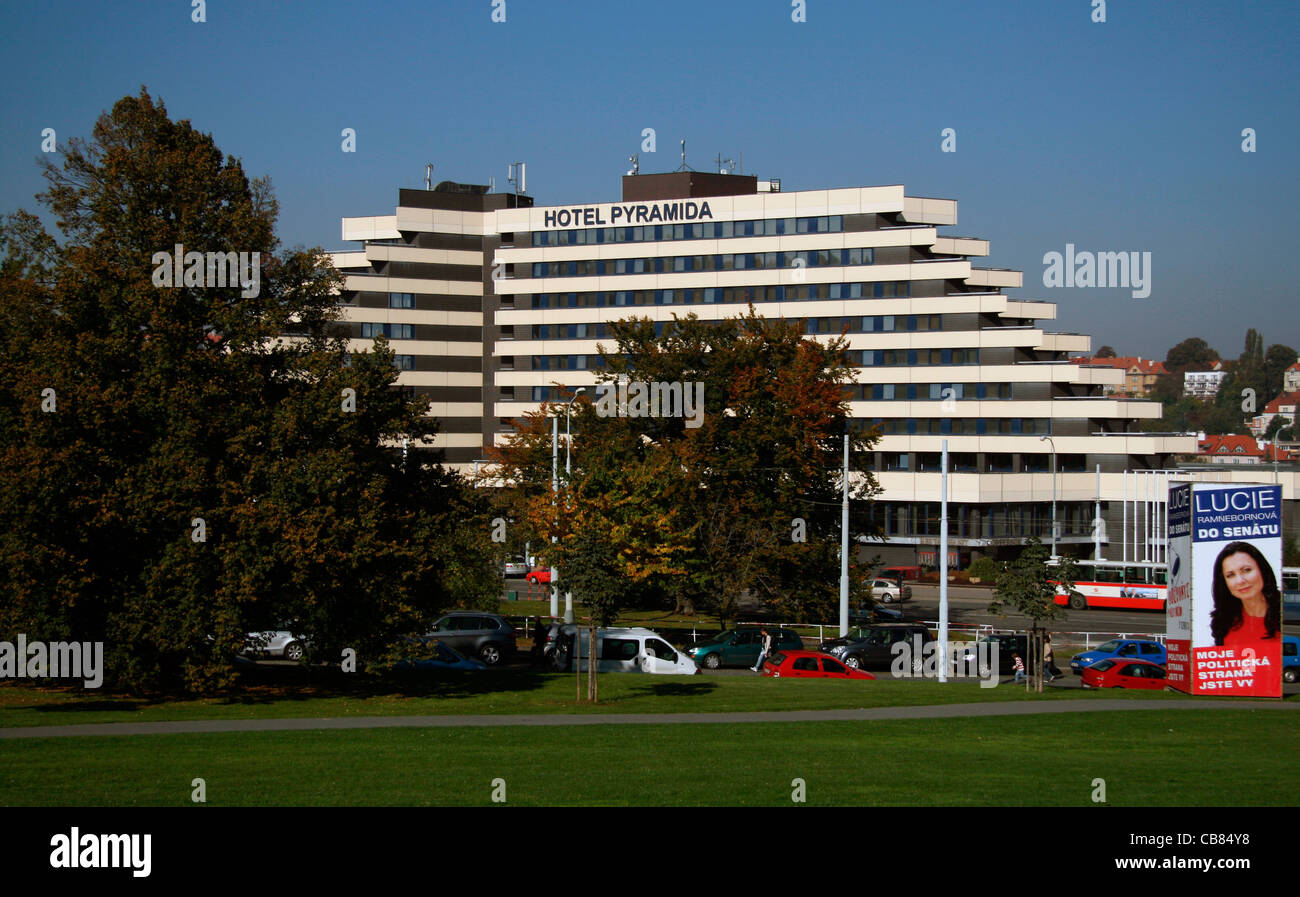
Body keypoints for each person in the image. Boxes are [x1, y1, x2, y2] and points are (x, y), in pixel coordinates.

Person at [1210, 541, 1282, 670]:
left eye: (1246, 570)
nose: (1240, 581)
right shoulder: (1225, 623)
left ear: (1262, 570)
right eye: (1230, 575)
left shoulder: (1283, 613)